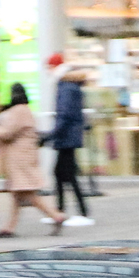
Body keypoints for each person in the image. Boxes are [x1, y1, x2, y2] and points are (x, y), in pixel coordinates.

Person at [0, 83, 62, 238]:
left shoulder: (18, 111)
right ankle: (8, 228)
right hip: (24, 155)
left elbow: (6, 133)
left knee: (27, 193)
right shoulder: (25, 110)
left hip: (19, 157)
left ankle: (56, 216)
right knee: (17, 193)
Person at [48, 68, 95, 225]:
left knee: (66, 174)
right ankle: (60, 211)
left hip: (66, 136)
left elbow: (64, 114)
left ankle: (81, 213)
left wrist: (52, 134)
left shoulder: (66, 88)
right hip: (69, 136)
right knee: (61, 173)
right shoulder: (72, 87)